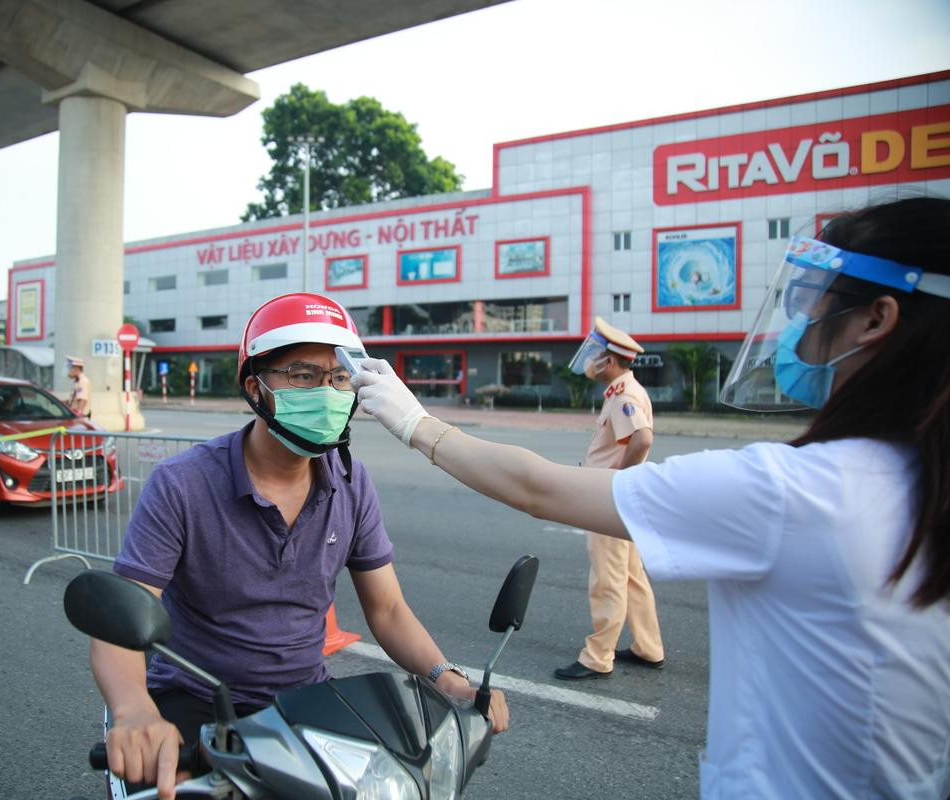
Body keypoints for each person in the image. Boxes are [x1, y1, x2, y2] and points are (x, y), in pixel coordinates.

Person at [351, 197, 950, 799]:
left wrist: (414, 423)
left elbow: (537, 486)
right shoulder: (923, 483)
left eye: (818, 302)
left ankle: (604, 654)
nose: (805, 323)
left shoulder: (792, 493)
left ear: (876, 320)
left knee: (613, 584)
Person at [89, 292, 508, 798]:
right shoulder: (182, 484)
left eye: (337, 378)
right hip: (197, 698)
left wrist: (448, 679)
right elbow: (122, 619)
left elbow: (389, 609)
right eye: (303, 376)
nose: (327, 392)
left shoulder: (351, 484)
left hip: (306, 703)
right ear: (255, 387)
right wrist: (134, 710)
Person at [553, 317, 664, 681]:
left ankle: (598, 657)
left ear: (611, 361)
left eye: (597, 355)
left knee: (609, 578)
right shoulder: (622, 390)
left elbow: (642, 439)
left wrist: (616, 480)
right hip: (624, 499)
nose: (591, 361)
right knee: (630, 575)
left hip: (611, 498)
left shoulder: (624, 395)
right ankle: (649, 647)